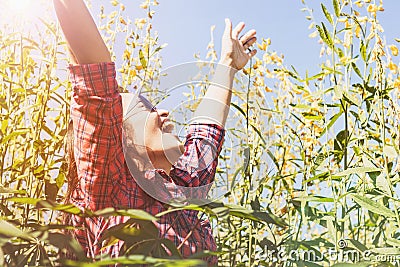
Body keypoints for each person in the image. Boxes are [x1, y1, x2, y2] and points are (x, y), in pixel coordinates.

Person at [53, 0, 257, 265]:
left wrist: (227, 64)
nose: (163, 114)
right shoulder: (111, 187)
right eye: (145, 108)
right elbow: (95, 77)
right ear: (116, 139)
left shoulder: (183, 192)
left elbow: (206, 132)